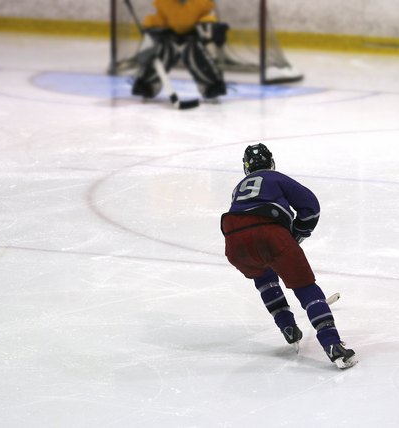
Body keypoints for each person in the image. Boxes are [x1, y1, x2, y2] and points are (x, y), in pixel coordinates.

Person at [220, 143, 358, 369]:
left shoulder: (238, 188)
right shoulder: (276, 179)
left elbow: (247, 223)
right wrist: (296, 234)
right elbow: (311, 207)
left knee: (263, 275)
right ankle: (332, 344)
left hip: (234, 243)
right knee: (304, 286)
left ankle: (287, 326)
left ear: (246, 167)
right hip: (270, 235)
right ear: (271, 162)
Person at [132, 0, 228, 100]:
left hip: (193, 36)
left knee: (196, 54)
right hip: (170, 36)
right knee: (161, 53)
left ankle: (211, 86)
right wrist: (151, 25)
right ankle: (148, 84)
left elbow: (207, 16)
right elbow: (161, 18)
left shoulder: (201, 2)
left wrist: (210, 25)